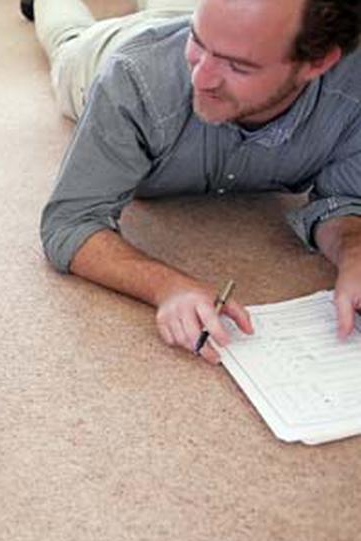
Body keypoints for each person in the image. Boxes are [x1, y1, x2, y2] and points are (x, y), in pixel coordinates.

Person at [32, 0, 361, 363]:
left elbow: (342, 200)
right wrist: (166, 286)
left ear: (319, 62)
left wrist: (355, 254)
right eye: (198, 41)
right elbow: (70, 224)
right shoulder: (133, 77)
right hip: (105, 53)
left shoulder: (353, 93)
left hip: (198, 23)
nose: (200, 79)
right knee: (68, 39)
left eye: (239, 65)